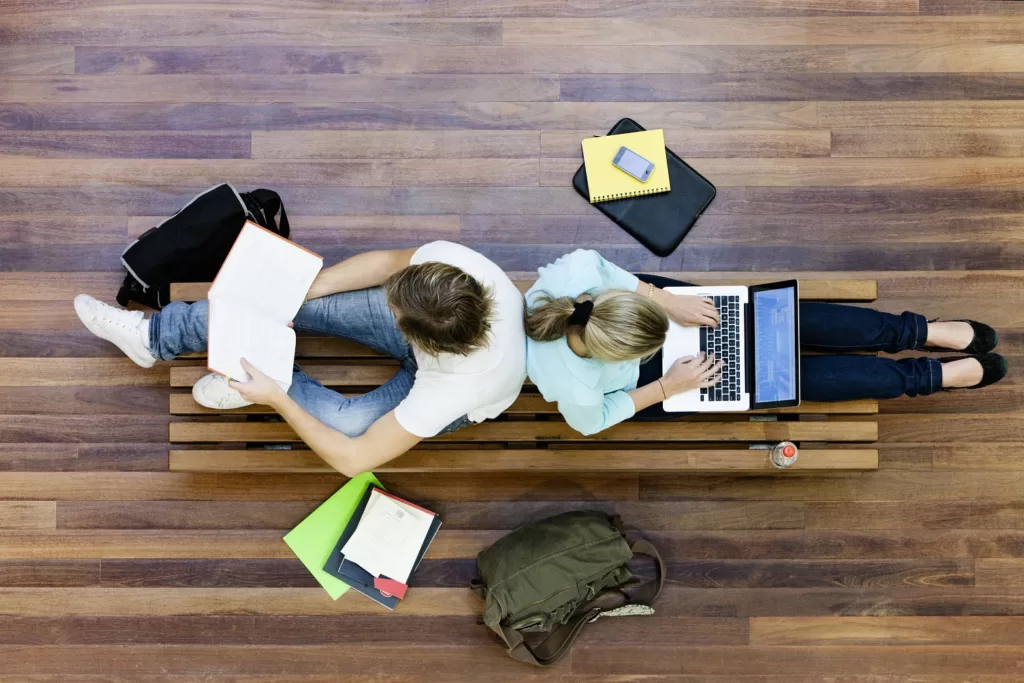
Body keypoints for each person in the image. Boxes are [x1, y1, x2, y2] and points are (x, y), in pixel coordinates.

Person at [74, 242, 526, 475]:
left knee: (348, 426)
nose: (385, 300)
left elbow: (355, 459)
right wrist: (308, 291)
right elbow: (390, 260)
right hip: (444, 340)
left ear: (412, 332)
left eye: (394, 307)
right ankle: (152, 337)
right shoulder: (454, 269)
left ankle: (263, 383)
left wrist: (278, 399)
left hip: (456, 391)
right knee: (281, 300)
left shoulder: (455, 388)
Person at [525, 249, 1008, 436]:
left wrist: (667, 302)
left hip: (655, 306)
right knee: (774, 379)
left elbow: (610, 273)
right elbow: (594, 421)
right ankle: (923, 377)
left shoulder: (576, 277)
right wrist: (669, 386)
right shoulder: (574, 386)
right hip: (653, 382)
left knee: (776, 322)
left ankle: (916, 331)